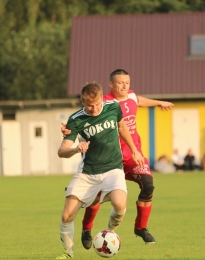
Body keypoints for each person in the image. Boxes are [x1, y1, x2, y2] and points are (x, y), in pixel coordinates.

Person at [61, 69, 174, 248]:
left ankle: (140, 228)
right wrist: (69, 128)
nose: (124, 86)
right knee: (95, 197)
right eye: (120, 83)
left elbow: (138, 101)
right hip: (108, 158)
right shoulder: (103, 102)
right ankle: (87, 228)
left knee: (148, 185)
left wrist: (159, 102)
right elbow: (86, 112)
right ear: (111, 84)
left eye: (127, 83)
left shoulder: (131, 96)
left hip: (132, 155)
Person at [56, 82, 144, 259]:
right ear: (83, 102)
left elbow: (122, 127)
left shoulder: (113, 107)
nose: (94, 109)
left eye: (97, 104)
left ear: (102, 99)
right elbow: (61, 151)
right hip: (88, 172)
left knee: (120, 205)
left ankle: (108, 233)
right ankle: (67, 252)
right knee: (66, 216)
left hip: (113, 169)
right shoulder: (76, 119)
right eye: (90, 105)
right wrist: (76, 149)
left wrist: (134, 150)